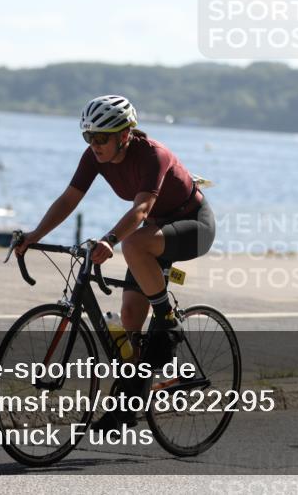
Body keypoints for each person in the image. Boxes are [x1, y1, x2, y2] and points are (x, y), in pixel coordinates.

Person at [15, 95, 215, 430]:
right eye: (88, 137)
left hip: (193, 225)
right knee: (130, 316)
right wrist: (35, 234)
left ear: (124, 134)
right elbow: (68, 199)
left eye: (101, 137)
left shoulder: (154, 155)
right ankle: (131, 400)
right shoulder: (94, 157)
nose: (94, 145)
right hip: (156, 232)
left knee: (133, 245)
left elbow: (141, 211)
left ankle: (168, 323)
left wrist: (109, 240)